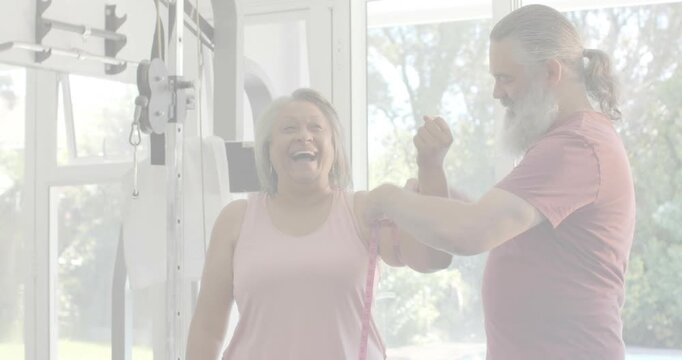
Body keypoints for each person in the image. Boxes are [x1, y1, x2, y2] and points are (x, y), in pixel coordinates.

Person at [366, 4, 635, 360]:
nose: (496, 92)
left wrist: (384, 198)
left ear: (551, 72)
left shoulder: (576, 146)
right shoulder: (565, 143)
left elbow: (474, 230)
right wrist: (432, 172)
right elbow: (496, 221)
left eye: (505, 78)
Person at [185, 88, 452, 360]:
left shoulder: (365, 211)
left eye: (316, 127)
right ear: (268, 149)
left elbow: (434, 257)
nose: (304, 136)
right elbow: (208, 328)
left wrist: (431, 168)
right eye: (289, 128)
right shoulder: (235, 219)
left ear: (334, 148)